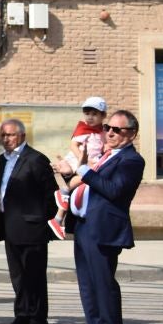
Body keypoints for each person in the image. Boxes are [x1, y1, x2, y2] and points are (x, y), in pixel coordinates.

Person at [55, 109, 144, 324]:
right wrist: (68, 173)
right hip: (84, 225)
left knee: (104, 283)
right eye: (108, 128)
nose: (110, 132)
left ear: (132, 134)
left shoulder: (131, 160)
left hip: (104, 228)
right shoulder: (107, 155)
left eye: (117, 129)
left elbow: (114, 190)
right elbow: (86, 183)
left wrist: (84, 170)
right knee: (87, 284)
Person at [0, 118, 56, 324]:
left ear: (22, 135)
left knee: (34, 278)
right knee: (18, 278)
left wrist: (44, 222)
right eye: (2, 135)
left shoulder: (36, 159)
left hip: (32, 228)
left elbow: (51, 194)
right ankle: (21, 319)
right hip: (11, 226)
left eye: (10, 135)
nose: (6, 139)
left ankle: (39, 323)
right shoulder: (3, 159)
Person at [54, 97, 109, 235]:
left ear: (103, 116)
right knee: (85, 176)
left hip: (93, 161)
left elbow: (103, 147)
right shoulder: (84, 128)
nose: (90, 117)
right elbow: (73, 145)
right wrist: (83, 160)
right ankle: (64, 192)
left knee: (85, 182)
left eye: (94, 114)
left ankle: (58, 218)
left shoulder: (103, 131)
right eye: (87, 113)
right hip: (79, 159)